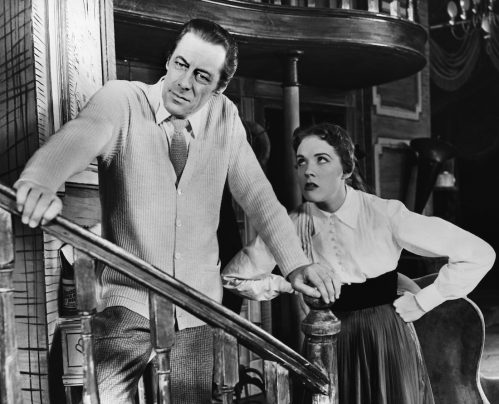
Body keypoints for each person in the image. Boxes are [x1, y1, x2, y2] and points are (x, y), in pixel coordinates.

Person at [13, 19, 337, 404]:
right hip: (126, 303)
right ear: (169, 60)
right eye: (181, 64)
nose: (184, 82)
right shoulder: (121, 100)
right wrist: (39, 180)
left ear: (219, 87)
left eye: (202, 76)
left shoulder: (225, 117)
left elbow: (258, 196)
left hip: (196, 310)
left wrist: (296, 264)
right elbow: (82, 134)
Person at [222, 122, 496, 404]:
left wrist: (424, 301)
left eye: (321, 159)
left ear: (346, 169)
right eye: (301, 162)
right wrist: (290, 282)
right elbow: (233, 278)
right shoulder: (291, 224)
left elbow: (479, 253)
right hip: (326, 339)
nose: (308, 171)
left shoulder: (385, 214)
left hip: (386, 337)